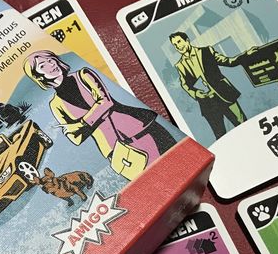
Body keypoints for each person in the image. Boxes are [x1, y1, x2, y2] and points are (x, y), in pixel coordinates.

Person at [23, 50, 175, 180]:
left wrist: (81, 124)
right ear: (38, 77)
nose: (51, 65)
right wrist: (92, 117)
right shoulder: (56, 104)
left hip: (139, 129)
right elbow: (75, 138)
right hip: (116, 150)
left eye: (51, 59)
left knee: (176, 165)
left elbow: (105, 102)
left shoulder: (83, 75)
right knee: (153, 183)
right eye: (42, 65)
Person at [169, 31, 247, 141]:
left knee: (243, 125)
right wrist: (196, 93)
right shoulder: (180, 65)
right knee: (220, 136)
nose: (178, 46)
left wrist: (245, 55)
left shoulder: (206, 51)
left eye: (179, 41)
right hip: (207, 104)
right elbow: (185, 85)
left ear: (187, 40)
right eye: (175, 45)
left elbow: (227, 61)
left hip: (224, 94)